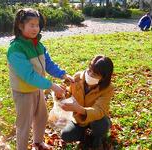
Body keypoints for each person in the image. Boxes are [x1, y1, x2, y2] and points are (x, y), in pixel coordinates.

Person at [6, 8, 73, 150]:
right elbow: (28, 76)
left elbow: (48, 63)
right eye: (31, 25)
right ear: (20, 25)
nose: (35, 28)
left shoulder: (38, 44)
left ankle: (38, 142)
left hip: (37, 89)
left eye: (37, 25)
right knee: (24, 124)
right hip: (23, 93)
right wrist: (51, 85)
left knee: (41, 117)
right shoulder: (16, 49)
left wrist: (63, 74)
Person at [60, 55, 114, 149]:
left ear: (103, 78)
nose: (90, 75)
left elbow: (99, 110)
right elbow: (70, 94)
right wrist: (62, 94)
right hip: (78, 119)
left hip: (96, 120)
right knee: (66, 135)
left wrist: (80, 109)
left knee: (102, 125)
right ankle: (85, 137)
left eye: (95, 74)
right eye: (90, 70)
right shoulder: (77, 77)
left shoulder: (108, 88)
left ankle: (98, 137)